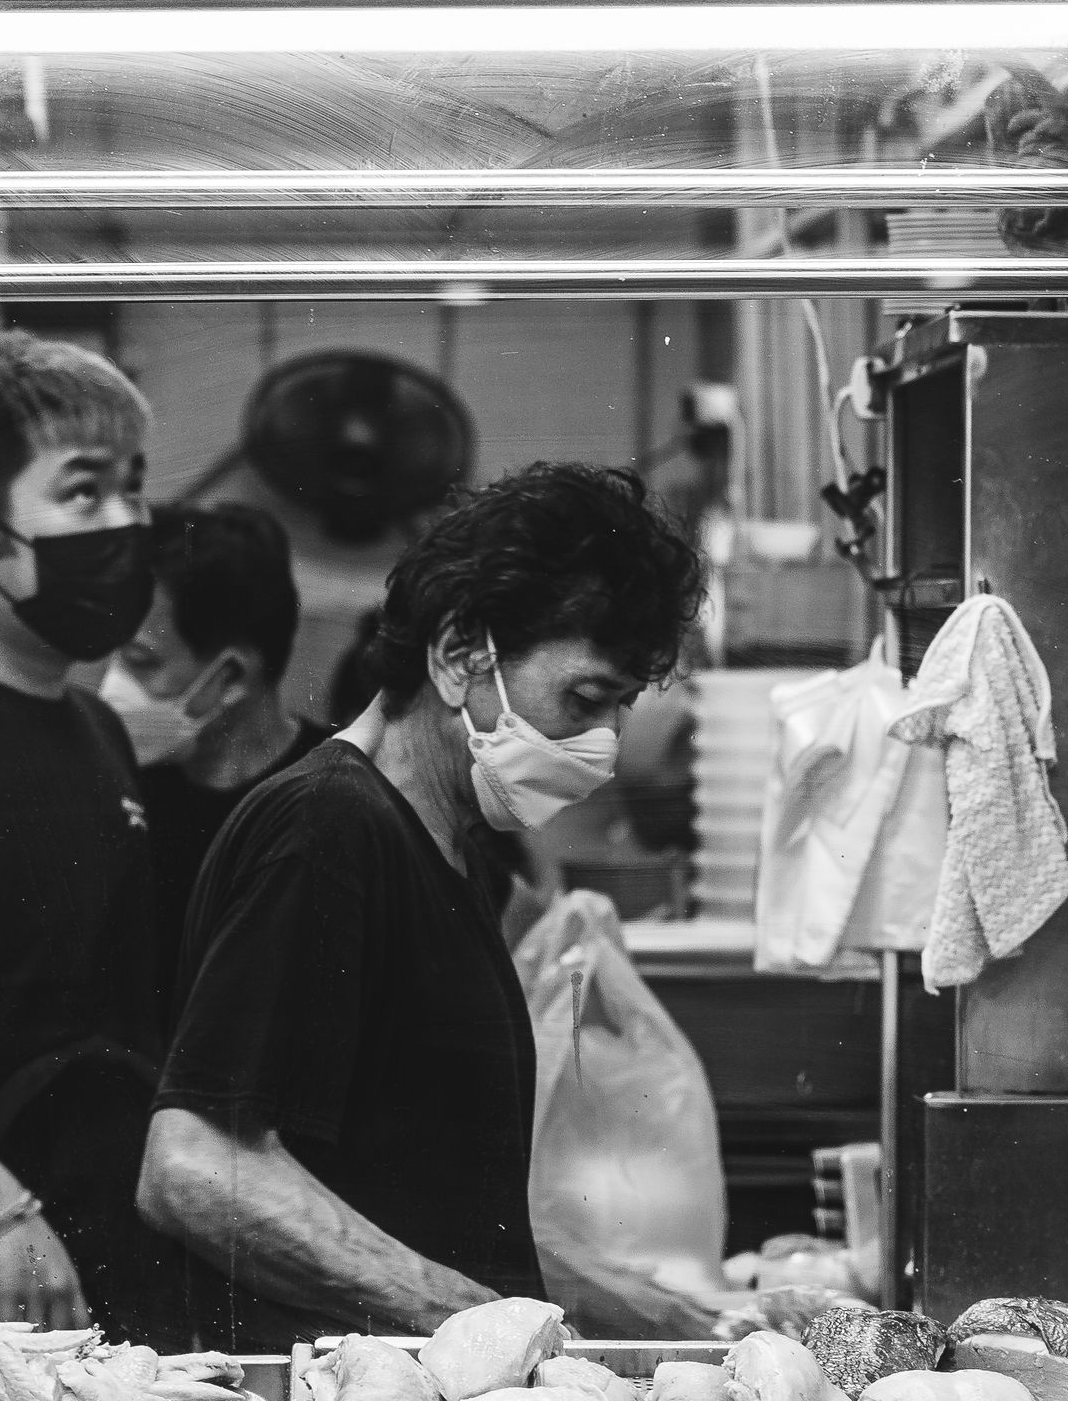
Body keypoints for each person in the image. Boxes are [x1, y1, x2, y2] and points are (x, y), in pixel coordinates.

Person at [137, 462, 712, 1344]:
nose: (598, 746)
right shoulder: (326, 830)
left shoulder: (451, 850)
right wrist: (480, 1324)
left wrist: (664, 1318)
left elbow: (444, 1211)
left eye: (618, 710)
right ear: (456, 655)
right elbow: (196, 1164)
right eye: (585, 699)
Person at [0, 328, 161, 1335]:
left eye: (135, 487)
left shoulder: (95, 729)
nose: (129, 520)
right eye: (84, 491)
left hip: (92, 1295)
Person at [100, 502, 330, 1020]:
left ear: (231, 678)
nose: (111, 688)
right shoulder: (118, 791)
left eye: (140, 661)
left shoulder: (337, 802)